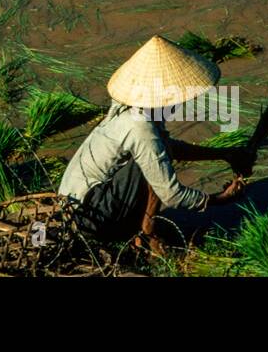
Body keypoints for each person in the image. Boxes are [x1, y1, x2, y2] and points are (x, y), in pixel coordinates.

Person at [59, 36, 253, 255]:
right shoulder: (140, 127)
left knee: (155, 155)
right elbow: (171, 194)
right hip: (91, 218)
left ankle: (144, 226)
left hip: (75, 206)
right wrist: (219, 199)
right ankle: (147, 232)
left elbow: (168, 147)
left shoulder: (131, 107)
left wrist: (224, 154)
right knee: (153, 163)